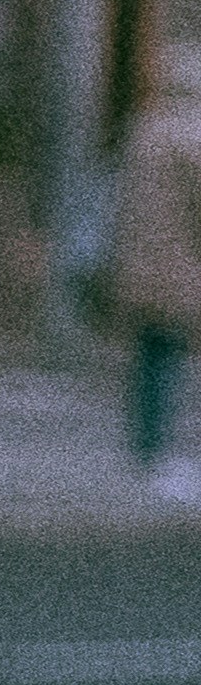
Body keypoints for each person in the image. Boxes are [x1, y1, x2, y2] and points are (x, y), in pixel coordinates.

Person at [114, 30, 201, 499]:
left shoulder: (144, 129)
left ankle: (144, 450)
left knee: (148, 360)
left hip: (141, 264)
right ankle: (159, 458)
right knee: (168, 362)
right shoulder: (192, 137)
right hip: (177, 267)